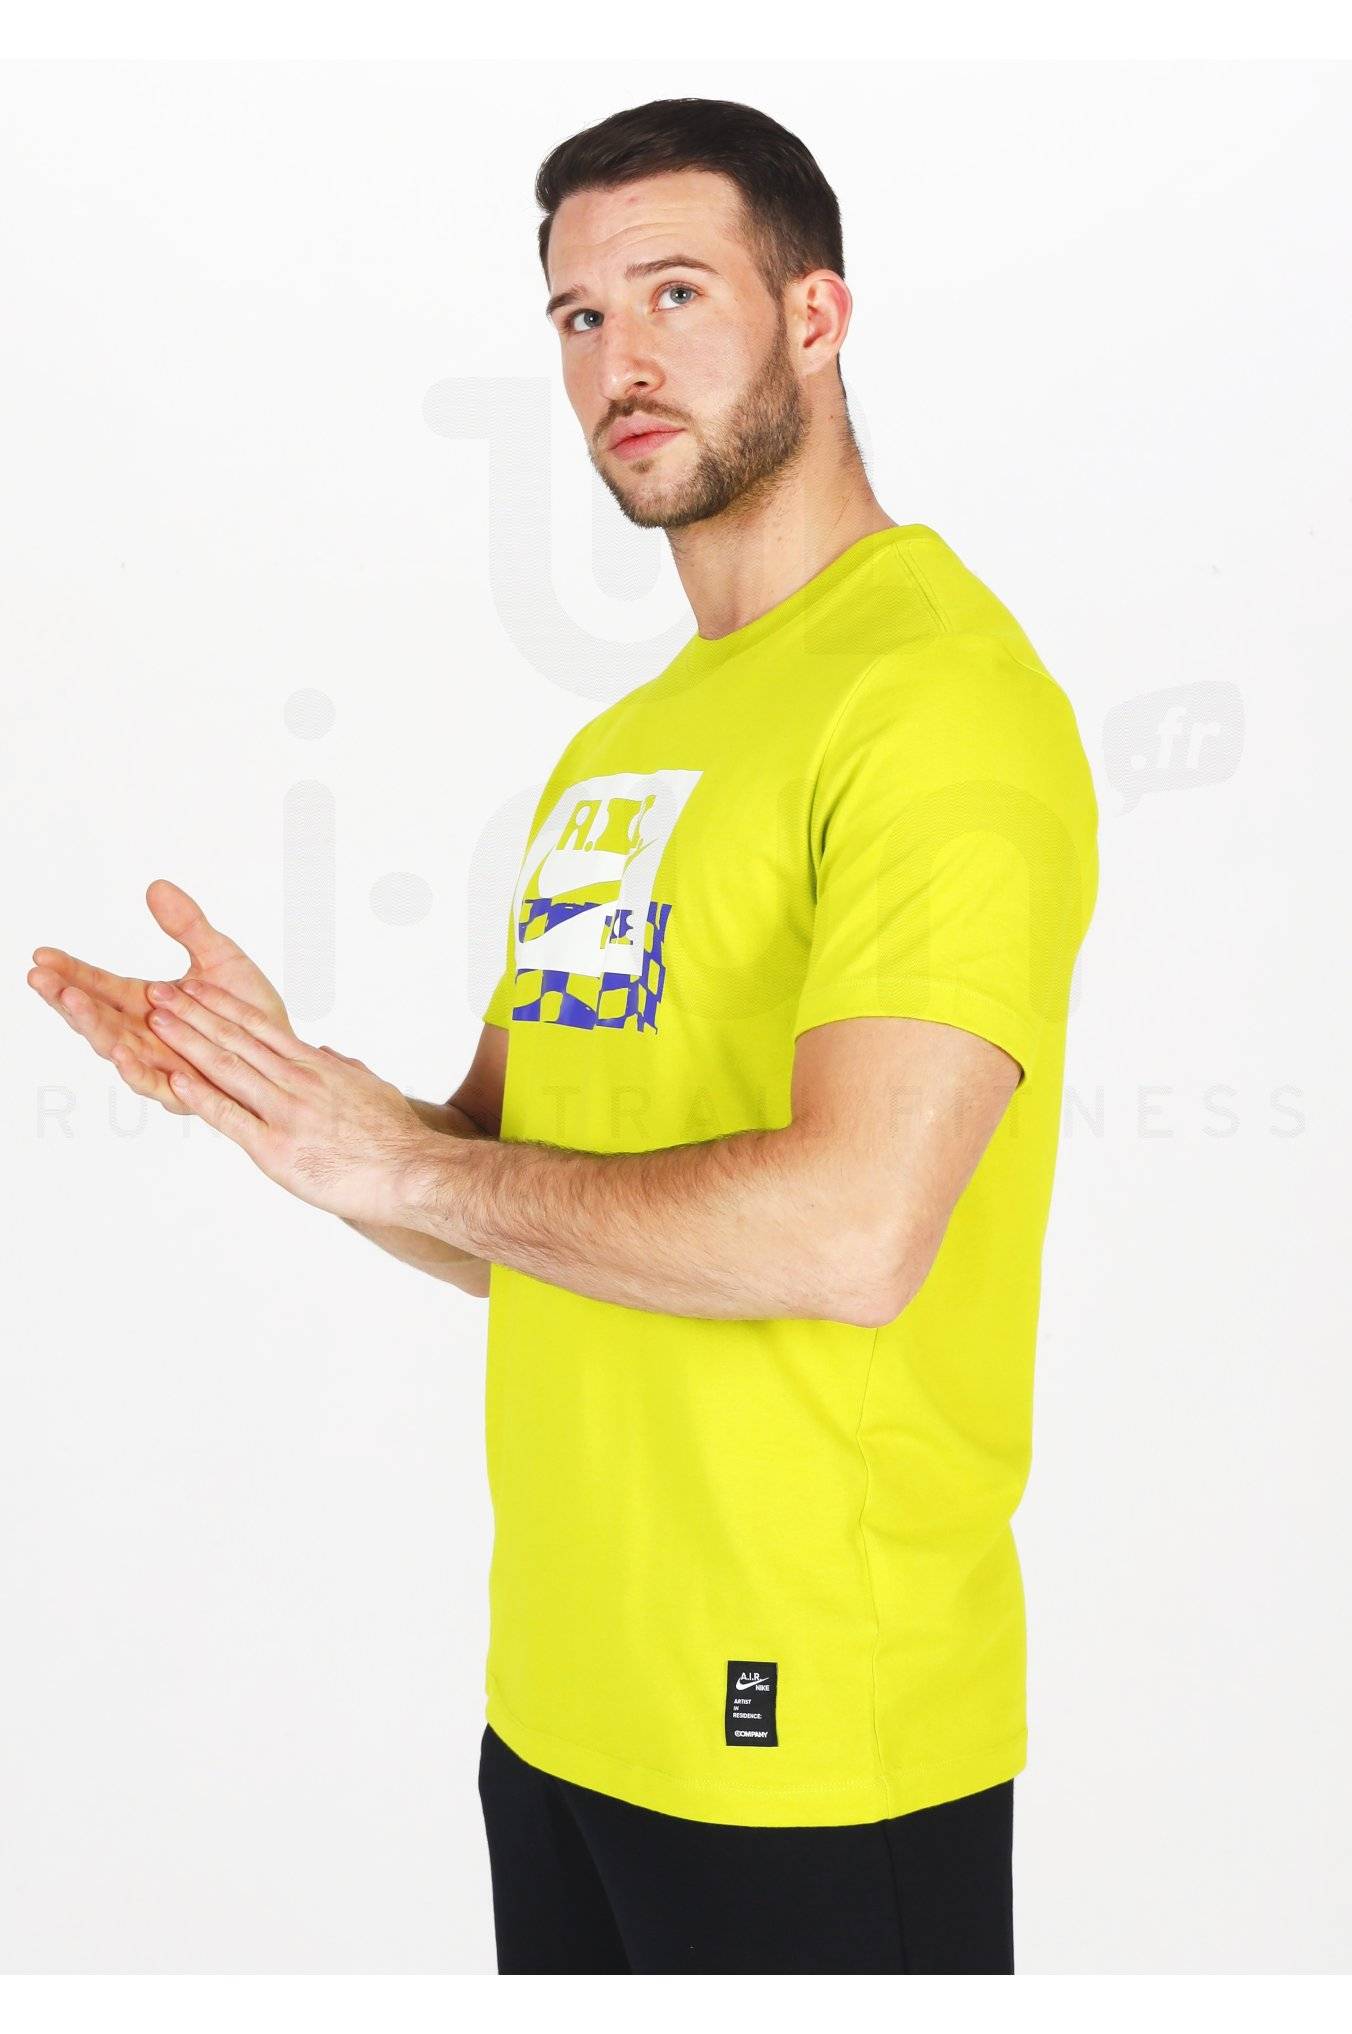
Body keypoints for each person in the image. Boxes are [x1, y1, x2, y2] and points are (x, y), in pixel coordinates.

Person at [26, 97, 1099, 1975]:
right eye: (580, 317)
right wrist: (290, 1107)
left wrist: (402, 1159)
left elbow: (857, 1229)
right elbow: (506, 1206)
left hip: (806, 1730)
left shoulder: (937, 702)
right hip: (561, 1705)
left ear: (818, 314)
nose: (622, 361)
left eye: (676, 292)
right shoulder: (622, 753)